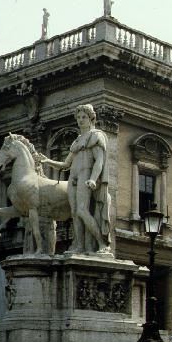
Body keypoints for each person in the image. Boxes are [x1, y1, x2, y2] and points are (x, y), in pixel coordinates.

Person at [41, 104, 112, 254]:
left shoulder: (96, 136)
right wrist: (47, 161)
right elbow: (65, 164)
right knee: (74, 213)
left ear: (91, 118)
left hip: (86, 175)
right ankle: (79, 246)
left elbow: (99, 161)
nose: (80, 120)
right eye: (78, 117)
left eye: (84, 117)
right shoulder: (78, 140)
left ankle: (101, 243)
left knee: (82, 210)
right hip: (73, 177)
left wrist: (93, 179)